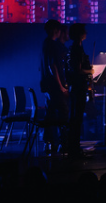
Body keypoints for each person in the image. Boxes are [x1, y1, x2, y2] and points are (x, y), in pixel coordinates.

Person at [39, 19, 69, 154]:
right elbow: (53, 66)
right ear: (55, 30)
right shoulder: (52, 45)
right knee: (64, 113)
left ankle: (49, 142)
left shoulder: (45, 44)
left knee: (50, 114)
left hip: (47, 85)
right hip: (54, 86)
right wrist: (61, 86)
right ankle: (64, 142)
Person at [67, 23, 94, 158]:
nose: (86, 33)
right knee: (77, 118)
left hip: (77, 87)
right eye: (84, 31)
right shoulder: (77, 49)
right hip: (78, 87)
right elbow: (77, 70)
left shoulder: (77, 48)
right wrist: (90, 70)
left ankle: (74, 147)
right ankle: (74, 148)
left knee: (76, 117)